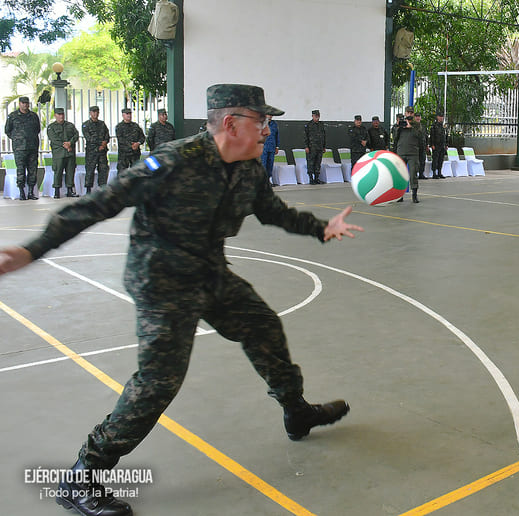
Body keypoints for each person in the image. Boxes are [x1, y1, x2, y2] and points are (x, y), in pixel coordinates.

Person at [0, 84, 362, 516]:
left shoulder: (248, 168)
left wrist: (322, 228)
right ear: (232, 123)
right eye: (261, 121)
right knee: (159, 383)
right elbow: (101, 202)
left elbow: (274, 212)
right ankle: (82, 475)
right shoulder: (172, 161)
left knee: (263, 325)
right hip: (162, 281)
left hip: (209, 270)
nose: (268, 130)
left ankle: (296, 409)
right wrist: (34, 249)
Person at [4, 96, 41, 200]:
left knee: (32, 170)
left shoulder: (33, 116)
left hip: (32, 147)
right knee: (20, 170)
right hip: (19, 148)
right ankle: (21, 192)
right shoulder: (13, 116)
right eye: (23, 103)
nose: (25, 105)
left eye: (26, 103)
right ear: (19, 104)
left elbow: (37, 129)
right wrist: (17, 139)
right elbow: (7, 130)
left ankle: (30, 192)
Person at [46, 107, 79, 198]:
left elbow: (76, 135)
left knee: (70, 172)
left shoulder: (70, 125)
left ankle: (70, 190)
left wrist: (70, 143)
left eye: (62, 114)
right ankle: (57, 191)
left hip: (70, 153)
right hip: (59, 154)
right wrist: (65, 145)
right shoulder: (51, 127)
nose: (61, 116)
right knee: (58, 172)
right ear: (55, 115)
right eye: (59, 114)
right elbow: (54, 139)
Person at [393, 114, 422, 202]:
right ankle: (399, 195)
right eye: (407, 118)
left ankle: (414, 195)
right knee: (400, 174)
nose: (408, 121)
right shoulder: (400, 126)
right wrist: (398, 128)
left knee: (413, 174)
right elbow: (395, 138)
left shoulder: (417, 125)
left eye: (410, 119)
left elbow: (420, 137)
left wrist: (411, 127)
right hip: (401, 152)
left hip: (413, 153)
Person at [82, 106, 110, 193]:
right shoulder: (86, 124)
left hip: (102, 152)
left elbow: (107, 135)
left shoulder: (102, 124)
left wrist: (105, 143)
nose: (95, 114)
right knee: (90, 170)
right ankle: (88, 189)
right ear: (90, 113)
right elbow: (88, 138)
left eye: (97, 112)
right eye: (93, 112)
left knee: (103, 169)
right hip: (92, 152)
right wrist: (100, 144)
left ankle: (102, 188)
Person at [115, 107, 146, 173]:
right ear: (123, 115)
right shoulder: (119, 127)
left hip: (135, 154)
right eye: (127, 114)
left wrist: (138, 143)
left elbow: (142, 137)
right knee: (122, 174)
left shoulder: (136, 126)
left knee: (136, 173)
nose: (129, 115)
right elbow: (120, 139)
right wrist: (131, 145)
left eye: (130, 113)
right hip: (124, 155)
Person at [304, 109, 326, 185]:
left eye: (318, 116)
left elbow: (324, 136)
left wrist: (324, 146)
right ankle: (311, 178)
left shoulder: (321, 124)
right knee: (311, 163)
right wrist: (306, 146)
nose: (317, 117)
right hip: (311, 148)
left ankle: (317, 178)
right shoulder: (308, 125)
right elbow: (305, 137)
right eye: (315, 116)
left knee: (318, 163)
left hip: (319, 147)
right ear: (312, 116)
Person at [260, 112, 280, 185]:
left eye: (271, 115)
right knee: (263, 164)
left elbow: (277, 136)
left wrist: (277, 147)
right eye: (269, 114)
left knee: (270, 164)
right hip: (263, 148)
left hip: (272, 147)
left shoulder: (274, 124)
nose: (270, 116)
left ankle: (269, 180)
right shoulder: (261, 123)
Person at [429, 112, 447, 178]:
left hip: (442, 145)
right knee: (435, 159)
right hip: (436, 145)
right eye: (440, 116)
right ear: (437, 117)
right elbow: (432, 136)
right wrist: (432, 144)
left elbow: (445, 136)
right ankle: (434, 173)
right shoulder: (434, 126)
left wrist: (446, 144)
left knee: (441, 159)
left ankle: (439, 172)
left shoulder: (443, 126)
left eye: (442, 117)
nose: (441, 118)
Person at [413, 112, 428, 180]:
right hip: (415, 146)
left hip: (423, 146)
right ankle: (415, 174)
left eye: (419, 116)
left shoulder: (423, 126)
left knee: (422, 161)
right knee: (415, 162)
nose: (418, 118)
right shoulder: (412, 126)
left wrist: (427, 145)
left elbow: (426, 136)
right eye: (416, 116)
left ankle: (421, 174)